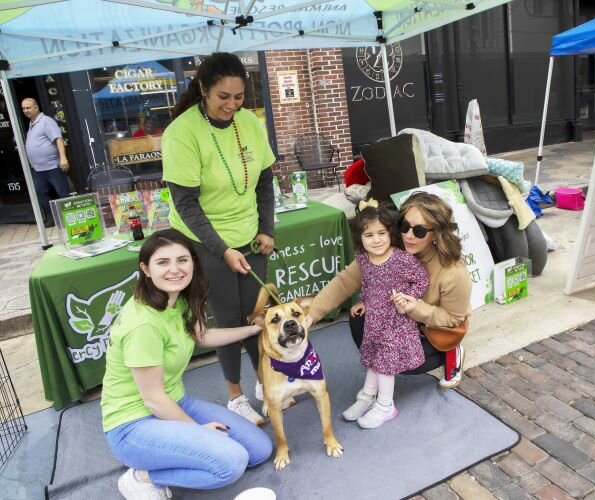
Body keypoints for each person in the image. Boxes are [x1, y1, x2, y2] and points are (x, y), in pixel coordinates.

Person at [101, 229, 273, 499]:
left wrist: (254, 331)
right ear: (145, 269)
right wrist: (198, 430)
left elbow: (202, 335)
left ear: (193, 262)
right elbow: (154, 399)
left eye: (182, 260)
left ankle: (172, 452)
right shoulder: (143, 324)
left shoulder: (177, 300)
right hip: (133, 424)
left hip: (176, 402)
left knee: (259, 450)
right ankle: (142, 476)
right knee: (231, 463)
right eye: (163, 262)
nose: (175, 270)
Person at [161, 52, 277, 426]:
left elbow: (264, 182)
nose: (231, 105)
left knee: (257, 313)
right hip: (203, 240)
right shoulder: (181, 133)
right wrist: (222, 249)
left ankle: (264, 380)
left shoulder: (250, 123)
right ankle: (235, 395)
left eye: (239, 96)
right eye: (222, 97)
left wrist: (266, 229)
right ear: (202, 89)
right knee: (227, 318)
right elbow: (186, 204)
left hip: (248, 233)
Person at [308, 192, 472, 389]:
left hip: (432, 329)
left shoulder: (453, 272)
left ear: (436, 232)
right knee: (360, 321)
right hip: (397, 321)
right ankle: (376, 383)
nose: (409, 235)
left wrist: (416, 308)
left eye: (419, 231)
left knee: (404, 363)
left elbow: (454, 318)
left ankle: (452, 352)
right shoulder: (388, 247)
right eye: (404, 226)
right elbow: (346, 281)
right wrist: (311, 314)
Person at [341, 200, 429, 429]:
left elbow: (421, 279)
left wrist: (408, 298)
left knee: (384, 363)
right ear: (360, 238)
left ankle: (385, 405)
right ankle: (367, 396)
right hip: (375, 321)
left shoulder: (401, 259)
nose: (377, 240)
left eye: (382, 233)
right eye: (369, 235)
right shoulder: (363, 260)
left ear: (390, 233)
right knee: (373, 358)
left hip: (395, 322)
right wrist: (364, 302)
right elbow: (369, 284)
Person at [21, 98, 70, 227]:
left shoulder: (46, 121)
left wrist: (63, 158)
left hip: (53, 166)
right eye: (24, 108)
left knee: (63, 193)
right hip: (38, 169)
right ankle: (54, 218)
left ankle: (69, 219)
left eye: (28, 107)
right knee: (39, 193)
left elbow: (58, 140)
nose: (26, 110)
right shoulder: (32, 124)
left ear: (36, 107)